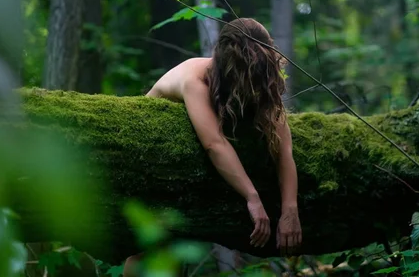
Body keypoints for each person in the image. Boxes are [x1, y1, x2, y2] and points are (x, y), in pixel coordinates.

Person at [123, 18, 302, 276]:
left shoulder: (261, 74)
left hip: (185, 168)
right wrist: (252, 198)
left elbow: (284, 151)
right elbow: (214, 143)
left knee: (173, 251)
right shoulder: (194, 78)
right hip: (149, 152)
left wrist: (290, 210)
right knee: (148, 248)